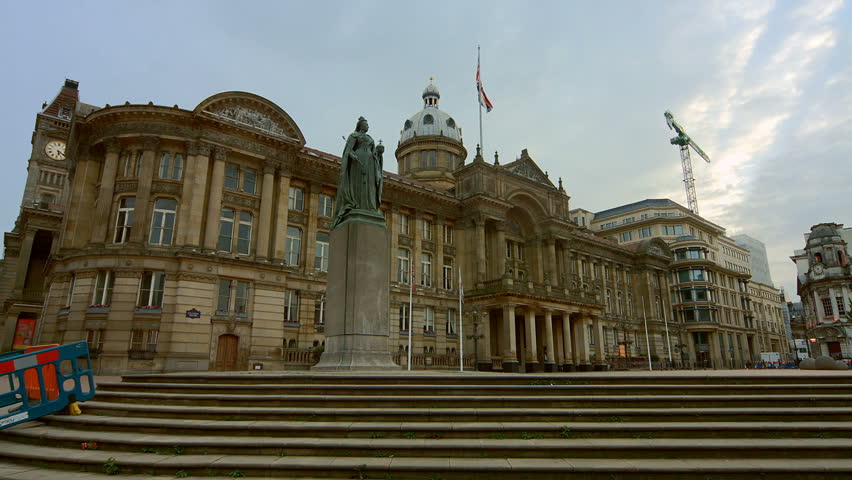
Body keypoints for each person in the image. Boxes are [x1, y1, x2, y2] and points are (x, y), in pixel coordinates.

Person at [331, 116, 384, 229]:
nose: (368, 126)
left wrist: (379, 155)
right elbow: (348, 150)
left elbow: (374, 154)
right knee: (358, 183)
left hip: (370, 164)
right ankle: (357, 204)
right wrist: (353, 156)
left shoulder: (370, 138)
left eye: (368, 124)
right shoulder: (354, 136)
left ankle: (369, 206)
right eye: (366, 124)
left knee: (369, 185)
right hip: (357, 162)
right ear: (361, 125)